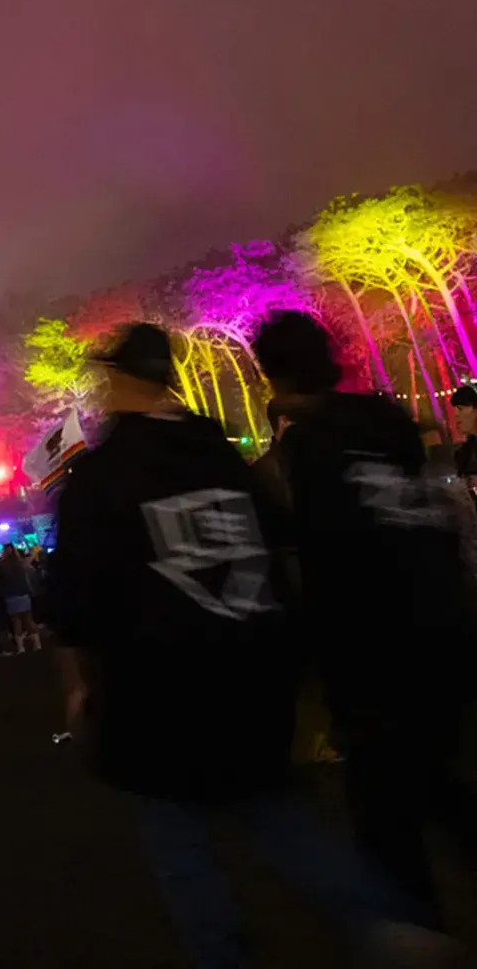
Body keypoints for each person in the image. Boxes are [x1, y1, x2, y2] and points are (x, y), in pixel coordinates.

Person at [49, 321, 453, 969]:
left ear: (121, 380)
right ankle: (385, 923)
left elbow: (75, 599)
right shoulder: (217, 454)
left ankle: (225, 956)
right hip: (251, 676)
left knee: (181, 847)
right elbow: (277, 543)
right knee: (280, 818)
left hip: (157, 694)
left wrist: (81, 686)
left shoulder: (102, 477)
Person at [254, 309, 477, 928]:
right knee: (441, 780)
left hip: (371, 650)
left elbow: (309, 556)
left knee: (386, 821)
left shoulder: (304, 452)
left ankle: (418, 935)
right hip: (443, 627)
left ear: (270, 376)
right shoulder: (383, 419)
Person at [0, 543, 41, 653]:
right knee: (29, 620)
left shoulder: (2, 565)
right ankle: (37, 643)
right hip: (24, 594)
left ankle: (21, 647)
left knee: (16, 621)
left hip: (11, 595)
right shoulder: (21, 563)